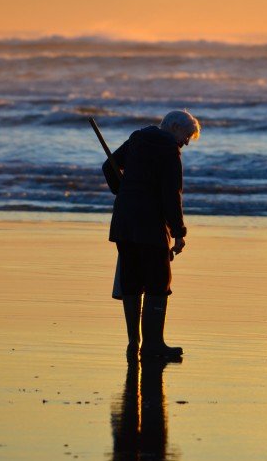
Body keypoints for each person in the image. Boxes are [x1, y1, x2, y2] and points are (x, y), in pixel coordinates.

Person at [102, 110, 200, 359]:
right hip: (150, 225)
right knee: (158, 282)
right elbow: (171, 195)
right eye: (186, 136)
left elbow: (108, 166)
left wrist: (122, 191)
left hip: (123, 221)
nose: (186, 142)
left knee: (131, 281)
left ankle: (133, 343)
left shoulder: (137, 139)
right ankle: (153, 345)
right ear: (174, 127)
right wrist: (179, 233)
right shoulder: (169, 149)